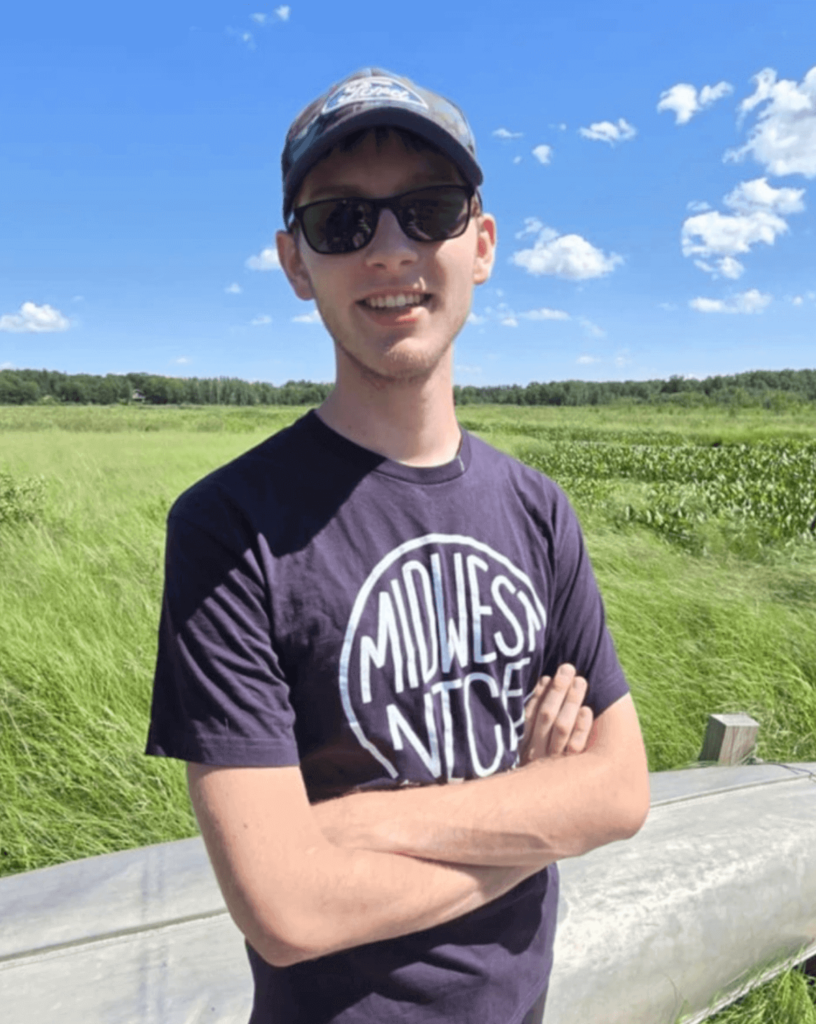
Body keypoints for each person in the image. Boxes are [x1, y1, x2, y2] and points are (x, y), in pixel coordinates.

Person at [146, 68, 650, 1024]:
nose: (389, 250)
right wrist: (541, 818)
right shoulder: (227, 526)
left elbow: (620, 791)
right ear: (297, 263)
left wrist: (354, 825)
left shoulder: (537, 509)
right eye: (343, 222)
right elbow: (287, 910)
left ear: (482, 242)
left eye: (428, 210)